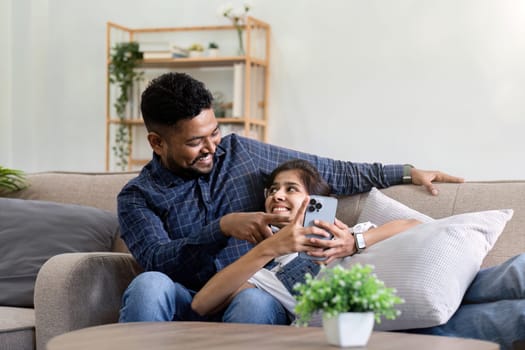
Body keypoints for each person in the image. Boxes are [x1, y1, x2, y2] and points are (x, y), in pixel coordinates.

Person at [117, 72, 463, 325]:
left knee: (253, 300)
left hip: (254, 294)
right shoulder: (137, 197)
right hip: (188, 301)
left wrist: (407, 172)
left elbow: (330, 171)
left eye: (215, 132)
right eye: (196, 142)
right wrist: (221, 228)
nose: (211, 148)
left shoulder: (243, 155)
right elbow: (158, 261)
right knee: (149, 284)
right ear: (157, 142)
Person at [191, 159, 420, 319]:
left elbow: (416, 226)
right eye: (272, 190)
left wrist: (355, 241)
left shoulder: (349, 233)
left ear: (316, 202)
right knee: (252, 300)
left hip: (370, 315)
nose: (277, 195)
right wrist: (268, 249)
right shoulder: (267, 265)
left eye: (290, 189)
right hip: (293, 321)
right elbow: (202, 304)